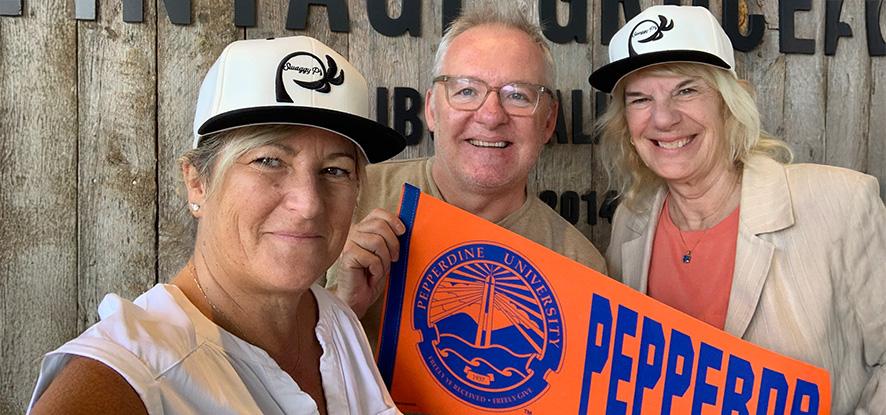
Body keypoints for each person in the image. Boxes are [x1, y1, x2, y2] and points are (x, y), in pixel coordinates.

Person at [27, 36, 407, 414]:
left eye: (335, 170)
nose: (308, 204)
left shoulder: (336, 321)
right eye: (269, 161)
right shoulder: (136, 373)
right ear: (198, 182)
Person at [590, 5, 886, 413]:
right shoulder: (631, 220)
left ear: (729, 102)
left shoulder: (841, 203)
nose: (663, 118)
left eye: (686, 90)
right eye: (640, 99)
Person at [325, 5, 607, 346]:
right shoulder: (344, 199)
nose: (491, 116)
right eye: (466, 91)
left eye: (517, 95)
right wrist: (344, 305)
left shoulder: (582, 267)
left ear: (547, 121)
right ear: (432, 109)